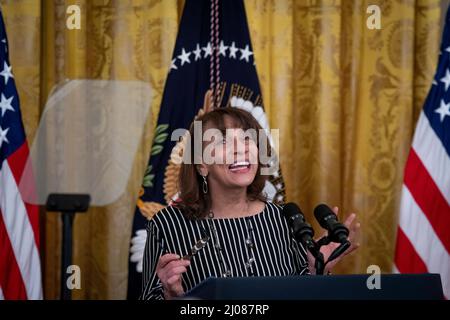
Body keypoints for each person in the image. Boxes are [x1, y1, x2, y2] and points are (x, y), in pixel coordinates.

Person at [140, 107, 360, 300]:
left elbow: (304, 294)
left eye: (247, 139)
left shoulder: (284, 218)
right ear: (201, 166)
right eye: (223, 141)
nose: (240, 149)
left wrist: (314, 270)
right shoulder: (167, 224)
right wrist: (172, 296)